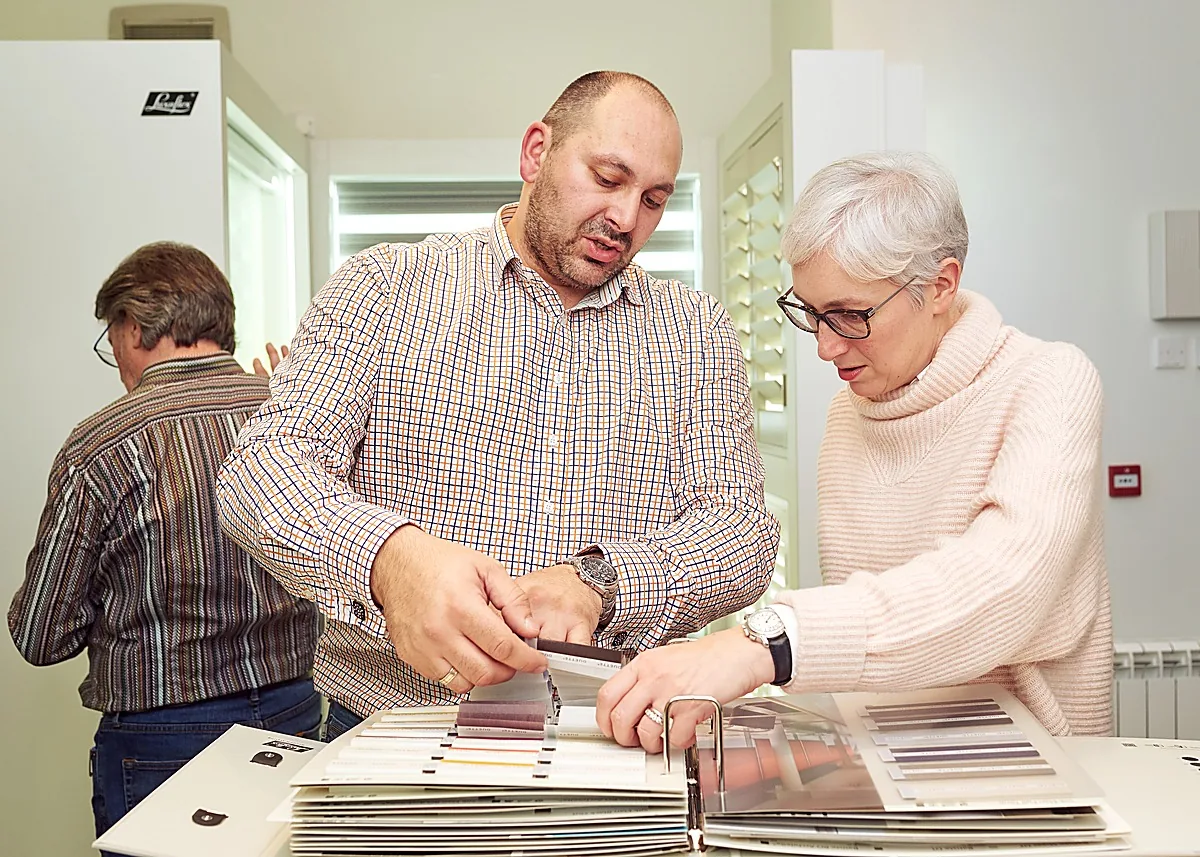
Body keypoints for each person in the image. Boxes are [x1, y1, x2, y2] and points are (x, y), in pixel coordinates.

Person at [216, 70, 779, 739]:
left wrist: (601, 580)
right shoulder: (385, 286)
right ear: (536, 152)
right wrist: (389, 559)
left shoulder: (697, 332)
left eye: (654, 199)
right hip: (393, 727)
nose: (628, 218)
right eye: (607, 177)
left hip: (608, 737)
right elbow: (261, 467)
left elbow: (741, 532)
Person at [596, 151, 1112, 750]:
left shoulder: (1050, 381)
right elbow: (870, 637)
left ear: (941, 285)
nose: (823, 347)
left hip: (1033, 760)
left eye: (848, 315)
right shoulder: (851, 410)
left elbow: (1007, 584)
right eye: (811, 314)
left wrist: (768, 644)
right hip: (886, 750)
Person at [8, 242, 321, 843]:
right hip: (296, 712)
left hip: (164, 735)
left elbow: (41, 637)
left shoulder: (100, 445)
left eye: (112, 340)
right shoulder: (289, 412)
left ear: (134, 326)